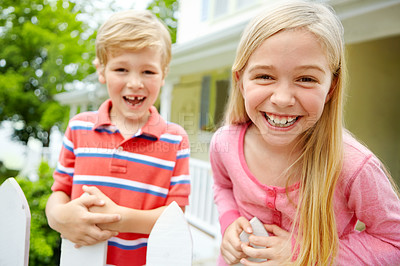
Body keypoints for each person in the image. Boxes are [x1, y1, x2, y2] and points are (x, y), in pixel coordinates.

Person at [209, 1, 400, 265]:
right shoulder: (224, 143)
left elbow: (393, 242)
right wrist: (229, 222)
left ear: (331, 88)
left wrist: (308, 254)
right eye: (264, 76)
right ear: (240, 82)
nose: (283, 98)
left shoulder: (354, 166)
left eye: (306, 79)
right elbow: (222, 185)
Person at [45, 9, 190, 266]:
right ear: (101, 70)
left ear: (164, 73)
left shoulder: (175, 140)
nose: (135, 83)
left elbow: (175, 216)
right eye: (121, 69)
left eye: (148, 72)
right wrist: (57, 215)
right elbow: (60, 191)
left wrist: (119, 217)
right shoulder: (78, 128)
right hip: (81, 259)